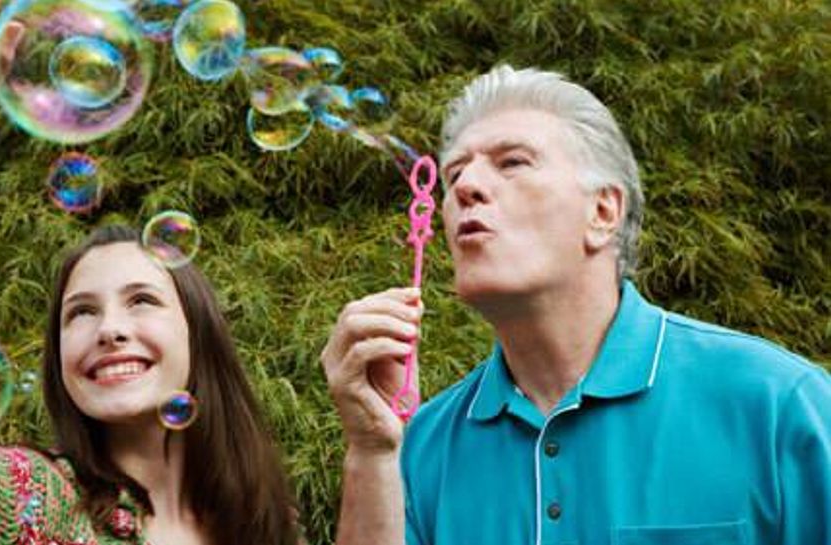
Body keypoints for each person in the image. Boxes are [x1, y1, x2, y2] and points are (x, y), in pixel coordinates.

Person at [322, 63, 831, 545]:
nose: (467, 187)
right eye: (454, 176)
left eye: (512, 162)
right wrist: (370, 452)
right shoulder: (421, 446)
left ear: (603, 211)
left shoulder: (776, 405)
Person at [0, 1, 301, 544]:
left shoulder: (268, 526)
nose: (110, 329)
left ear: (198, 331)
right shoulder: (35, 506)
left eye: (141, 300)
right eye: (81, 312)